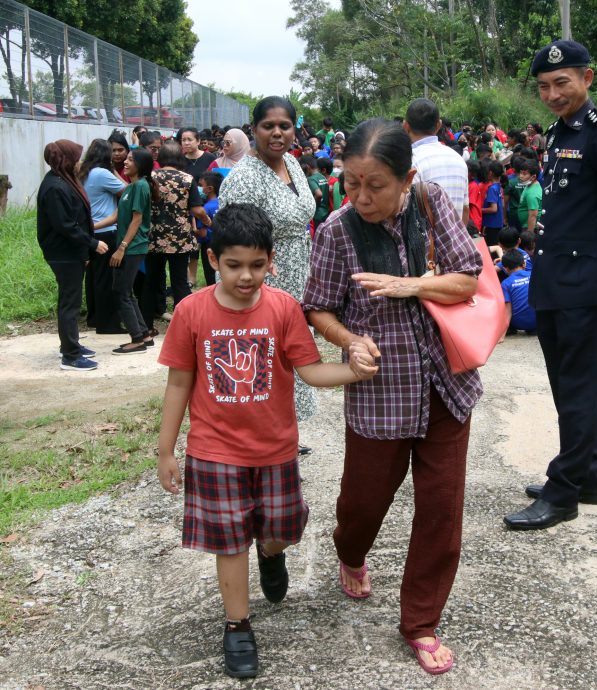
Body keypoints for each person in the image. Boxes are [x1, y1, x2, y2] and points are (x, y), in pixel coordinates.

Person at [157, 203, 376, 679]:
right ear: (213, 259)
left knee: (278, 530)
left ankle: (270, 552)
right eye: (234, 265)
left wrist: (352, 371)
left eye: (257, 265)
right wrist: (166, 449)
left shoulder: (282, 308)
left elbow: (311, 369)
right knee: (228, 541)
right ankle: (237, 624)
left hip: (275, 449)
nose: (246, 276)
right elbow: (178, 383)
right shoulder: (190, 312)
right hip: (214, 451)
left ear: (271, 260)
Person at [303, 118, 483, 675]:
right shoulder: (338, 230)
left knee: (440, 511)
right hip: (379, 391)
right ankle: (350, 553)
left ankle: (421, 622)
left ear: (406, 179)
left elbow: (468, 279)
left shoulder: (430, 205)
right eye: (351, 183)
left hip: (445, 387)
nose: (361, 197)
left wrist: (412, 285)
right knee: (363, 503)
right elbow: (318, 307)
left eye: (375, 185)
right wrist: (350, 340)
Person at [505, 40, 597, 530]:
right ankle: (590, 474)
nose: (553, 93)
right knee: (569, 385)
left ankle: (563, 493)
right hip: (554, 277)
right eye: (544, 86)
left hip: (586, 282)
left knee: (579, 387)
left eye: (562, 82)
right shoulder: (559, 132)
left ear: (587, 77)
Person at [219, 97, 319, 431]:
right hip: (264, 279)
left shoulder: (291, 164)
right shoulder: (245, 176)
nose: (277, 133)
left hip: (298, 274)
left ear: (295, 130)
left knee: (291, 351)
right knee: (263, 354)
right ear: (254, 130)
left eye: (284, 126)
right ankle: (259, 430)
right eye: (268, 126)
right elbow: (232, 234)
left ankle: (285, 427)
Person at [36, 140, 108, 371]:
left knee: (71, 301)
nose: (79, 162)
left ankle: (71, 344)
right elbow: (65, 225)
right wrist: (92, 243)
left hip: (70, 251)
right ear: (66, 160)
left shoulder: (62, 181)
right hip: (63, 253)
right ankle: (70, 356)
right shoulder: (56, 187)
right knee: (70, 303)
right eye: (76, 158)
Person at [140, 143, 211, 334]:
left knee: (151, 282)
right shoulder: (187, 179)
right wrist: (207, 220)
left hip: (153, 237)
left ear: (160, 158)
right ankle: (185, 327)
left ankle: (146, 326)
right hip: (180, 239)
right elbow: (196, 209)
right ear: (180, 158)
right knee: (180, 283)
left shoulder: (149, 177)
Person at [110, 148, 156, 355]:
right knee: (126, 292)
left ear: (141, 165)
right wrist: (90, 227)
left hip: (132, 247)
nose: (125, 162)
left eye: (130, 159)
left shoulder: (140, 187)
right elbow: (117, 216)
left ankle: (136, 339)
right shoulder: (130, 186)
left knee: (121, 293)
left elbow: (137, 219)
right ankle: (144, 335)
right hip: (129, 247)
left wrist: (122, 247)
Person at [80, 138, 127, 334]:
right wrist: (114, 171)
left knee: (93, 278)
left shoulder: (86, 172)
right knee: (106, 279)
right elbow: (128, 190)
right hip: (105, 232)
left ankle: (94, 317)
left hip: (91, 231)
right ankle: (107, 323)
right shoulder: (102, 173)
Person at [405, 97, 469, 224]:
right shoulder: (458, 159)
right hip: (455, 240)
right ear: (439, 125)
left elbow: (407, 213)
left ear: (406, 126)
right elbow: (465, 208)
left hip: (425, 243)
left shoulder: (411, 161)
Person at [500, 248, 536, 337]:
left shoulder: (505, 283)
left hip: (518, 323)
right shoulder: (534, 275)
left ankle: (511, 330)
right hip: (537, 321)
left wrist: (502, 335)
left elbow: (508, 310)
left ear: (505, 269)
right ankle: (533, 329)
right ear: (524, 264)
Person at [196, 171, 223, 286]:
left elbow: (202, 233)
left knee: (211, 273)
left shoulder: (205, 209)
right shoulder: (223, 203)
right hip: (223, 242)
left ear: (209, 188)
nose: (199, 188)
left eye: (201, 186)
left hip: (209, 244)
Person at [481, 159, 505, 246]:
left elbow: (493, 209)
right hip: (498, 223)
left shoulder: (492, 189)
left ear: (490, 173)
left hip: (491, 225)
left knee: (492, 248)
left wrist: (479, 210)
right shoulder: (499, 186)